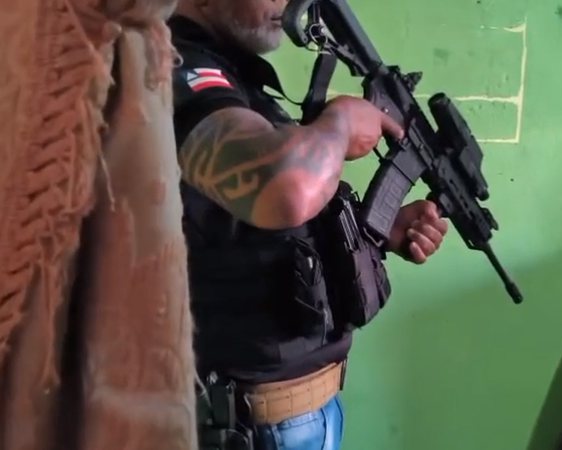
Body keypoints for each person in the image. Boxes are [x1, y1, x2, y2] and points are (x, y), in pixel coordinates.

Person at [166, 1, 449, 449]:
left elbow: (246, 234)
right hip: (251, 426)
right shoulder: (177, 66)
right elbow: (287, 189)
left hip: (299, 415)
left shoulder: (234, 76)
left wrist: (376, 232)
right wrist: (339, 124)